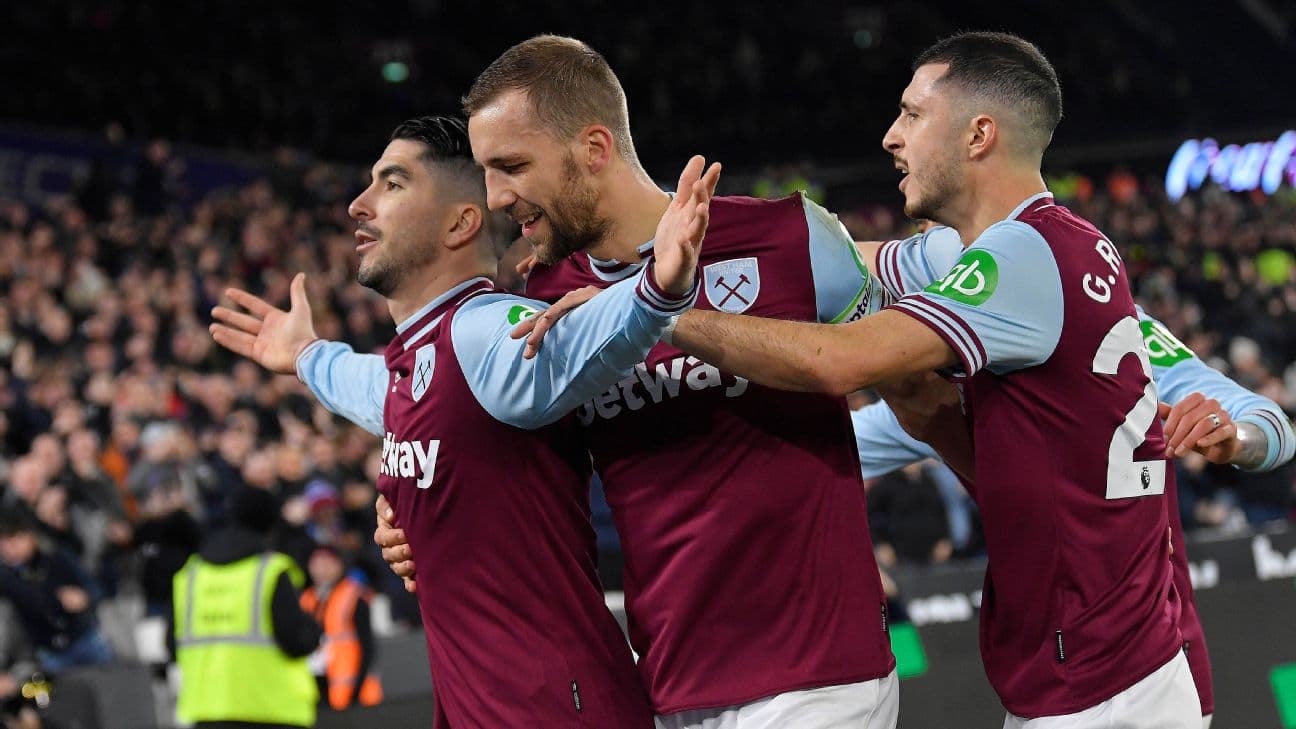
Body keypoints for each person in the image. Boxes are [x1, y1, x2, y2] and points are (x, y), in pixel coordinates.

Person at [342, 36, 902, 728]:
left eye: (511, 166)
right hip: (669, 687)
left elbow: (907, 377)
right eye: (486, 172)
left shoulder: (791, 237)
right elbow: (487, 445)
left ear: (594, 149)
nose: (495, 197)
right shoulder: (540, 299)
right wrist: (414, 507)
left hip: (818, 677)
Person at [209, 115, 715, 726]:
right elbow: (368, 387)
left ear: (460, 222)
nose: (357, 205)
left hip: (554, 710)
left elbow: (560, 344)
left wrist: (656, 290)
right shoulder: (414, 366)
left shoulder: (481, 331)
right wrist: (307, 358)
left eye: (392, 185)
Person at [850, 314, 1296, 729]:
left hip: (1153, 669)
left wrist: (1235, 439)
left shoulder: (1114, 321)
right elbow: (843, 442)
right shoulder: (952, 367)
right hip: (1042, 681)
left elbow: (1271, 425)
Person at [170, 486, 321, 729]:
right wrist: (314, 628)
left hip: (208, 711)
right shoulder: (269, 571)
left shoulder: (190, 575)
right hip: (272, 710)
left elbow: (172, 644)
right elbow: (297, 640)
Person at [0, 507, 113, 675]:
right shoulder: (5, 577)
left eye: (15, 540)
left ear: (30, 537)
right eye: (4, 543)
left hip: (84, 638)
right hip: (47, 652)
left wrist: (84, 598)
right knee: (63, 698)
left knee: (109, 687)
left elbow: (94, 588)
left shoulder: (55, 558)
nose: (10, 548)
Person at [300, 545, 382, 711]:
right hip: (317, 691)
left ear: (339, 565)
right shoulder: (306, 599)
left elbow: (368, 647)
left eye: (327, 564)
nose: (321, 570)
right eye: (316, 564)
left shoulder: (354, 596)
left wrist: (356, 690)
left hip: (353, 693)